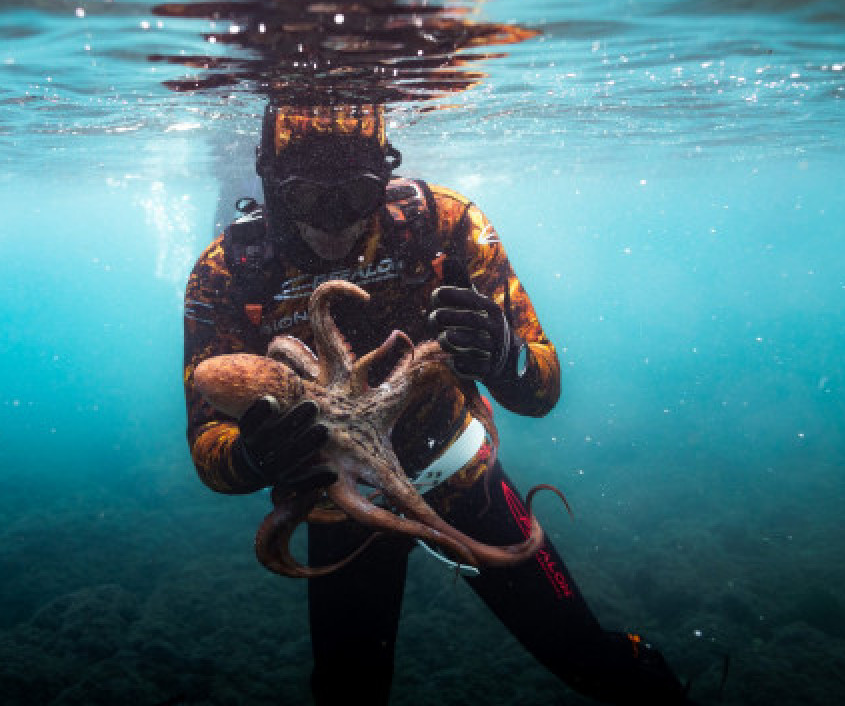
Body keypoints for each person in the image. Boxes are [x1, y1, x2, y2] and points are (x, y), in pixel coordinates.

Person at [182, 102, 696, 705]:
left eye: (356, 194)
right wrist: (250, 457)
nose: (333, 221)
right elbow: (207, 442)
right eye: (305, 197)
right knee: (349, 695)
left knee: (589, 662)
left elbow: (543, 389)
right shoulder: (229, 274)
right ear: (272, 187)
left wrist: (505, 357)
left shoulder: (442, 227)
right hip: (340, 505)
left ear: (386, 178)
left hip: (459, 471)